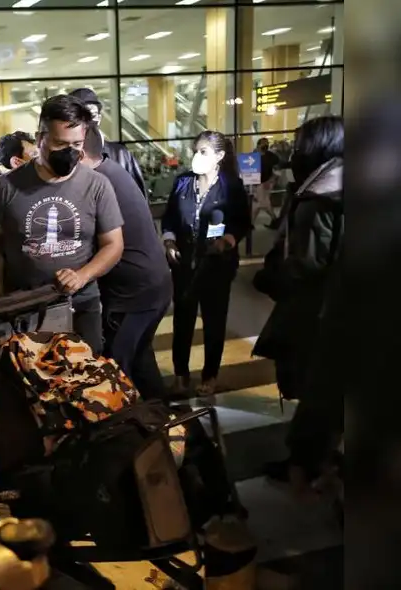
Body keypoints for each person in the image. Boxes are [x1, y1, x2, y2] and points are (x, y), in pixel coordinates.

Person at [0, 95, 124, 354]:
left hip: (81, 304)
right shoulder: (8, 186)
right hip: (26, 304)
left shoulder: (97, 185)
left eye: (76, 144)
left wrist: (82, 275)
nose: (69, 152)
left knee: (86, 383)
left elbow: (114, 244)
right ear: (40, 138)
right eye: (60, 143)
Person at [253, 116, 343, 489]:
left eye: (300, 142)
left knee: (317, 389)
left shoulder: (319, 197)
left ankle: (307, 467)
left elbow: (306, 263)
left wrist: (272, 275)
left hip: (321, 312)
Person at [78, 125, 171, 400]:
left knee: (118, 371)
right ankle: (164, 427)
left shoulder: (98, 183)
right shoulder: (110, 170)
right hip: (149, 287)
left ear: (80, 151)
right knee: (140, 363)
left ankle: (139, 431)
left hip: (135, 294)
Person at [160, 130, 251, 395]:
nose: (196, 157)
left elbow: (242, 222)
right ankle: (180, 375)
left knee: (214, 321)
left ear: (219, 156)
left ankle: (209, 376)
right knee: (183, 321)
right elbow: (169, 218)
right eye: (195, 151)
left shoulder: (231, 185)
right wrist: (169, 241)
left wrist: (228, 241)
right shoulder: (182, 182)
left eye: (203, 152)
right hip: (184, 264)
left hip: (217, 266)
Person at [68, 87, 147, 199]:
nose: (87, 121)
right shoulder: (63, 155)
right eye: (80, 116)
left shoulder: (120, 154)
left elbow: (138, 198)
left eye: (92, 115)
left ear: (99, 118)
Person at [253, 137, 281, 228]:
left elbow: (277, 172)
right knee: (260, 203)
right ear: (258, 145)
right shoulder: (254, 155)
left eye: (267, 143)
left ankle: (275, 220)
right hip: (257, 182)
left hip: (266, 182)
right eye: (263, 144)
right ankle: (251, 223)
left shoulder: (272, 157)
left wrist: (270, 182)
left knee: (261, 203)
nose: (266, 145)